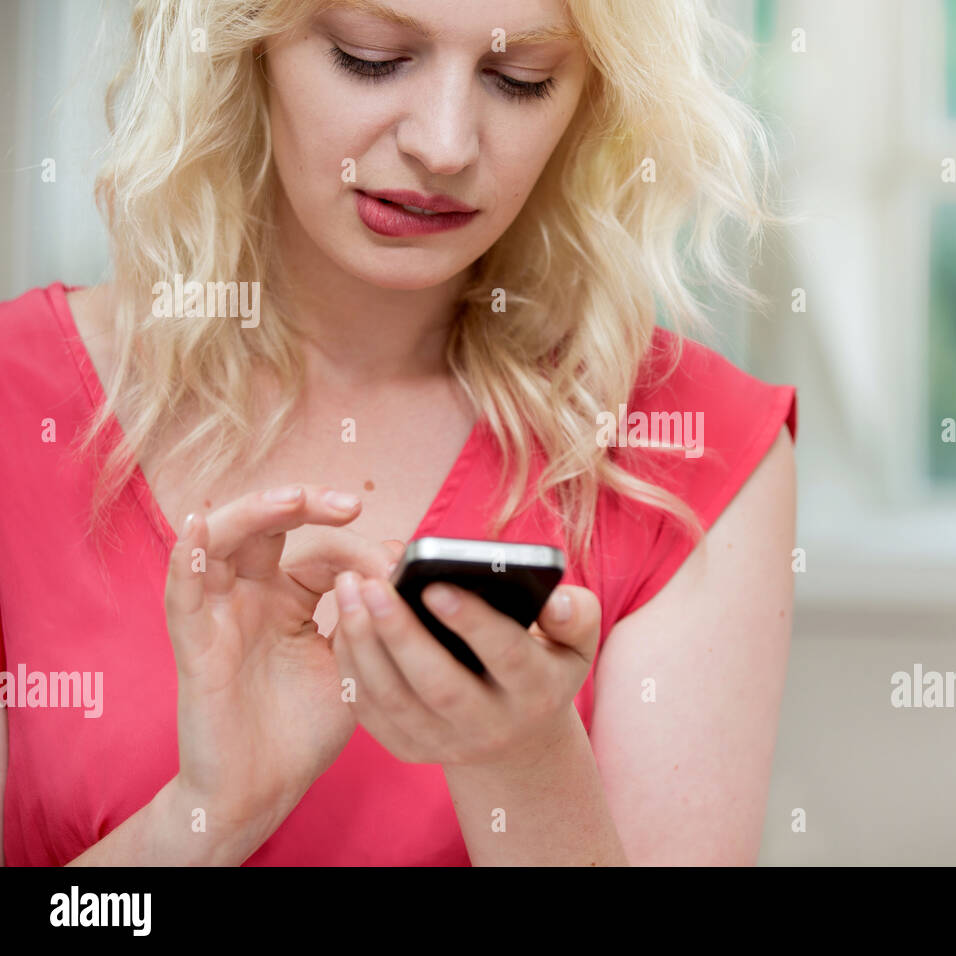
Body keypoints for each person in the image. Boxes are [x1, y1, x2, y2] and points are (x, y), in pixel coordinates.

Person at [0, 0, 796, 865]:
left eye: (517, 79)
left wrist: (524, 762)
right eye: (369, 57)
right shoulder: (20, 395)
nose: (445, 144)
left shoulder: (694, 449)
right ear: (243, 45)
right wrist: (208, 816)